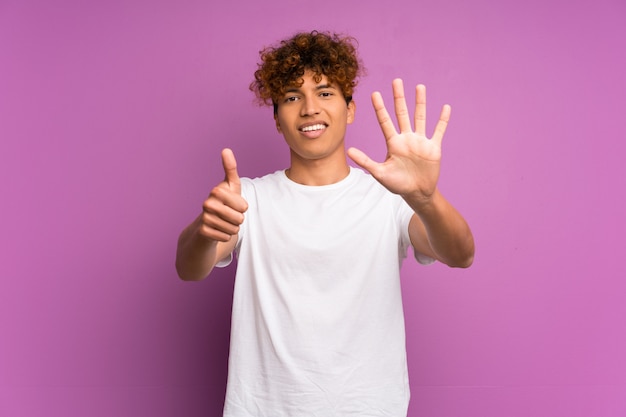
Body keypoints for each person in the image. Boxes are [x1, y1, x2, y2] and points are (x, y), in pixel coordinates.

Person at [176, 30, 474, 417]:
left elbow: (460, 253)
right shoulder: (249, 198)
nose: (309, 108)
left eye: (326, 92)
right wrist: (204, 229)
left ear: (350, 109)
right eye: (291, 96)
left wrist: (425, 198)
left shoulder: (387, 199)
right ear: (277, 120)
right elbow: (189, 268)